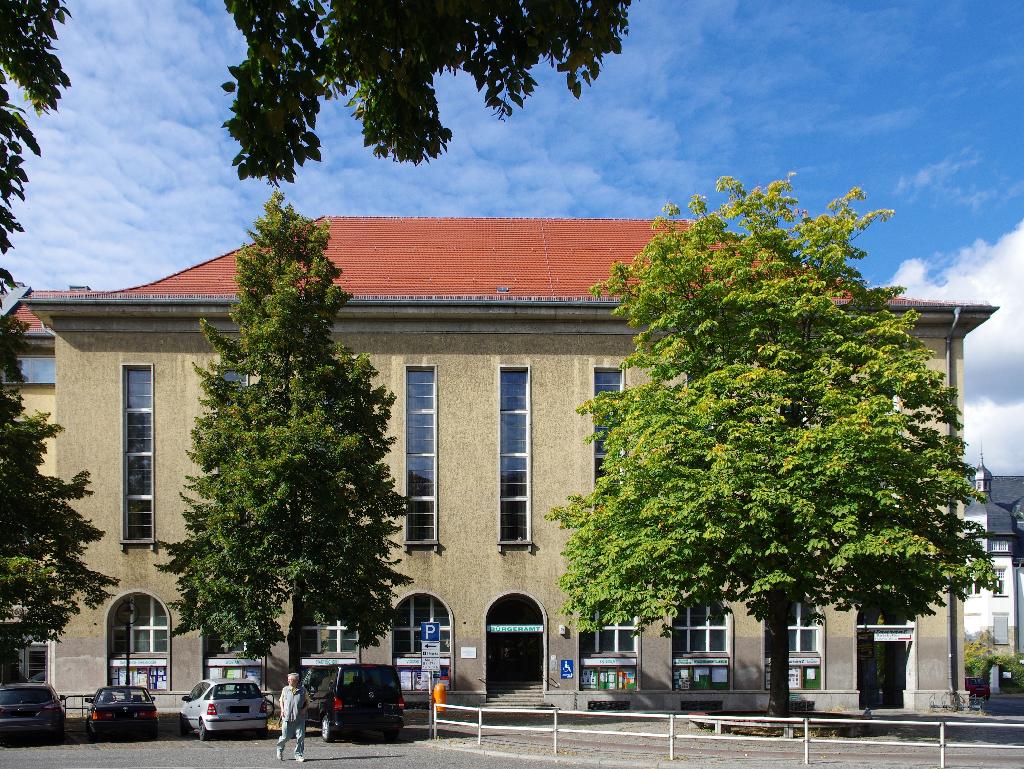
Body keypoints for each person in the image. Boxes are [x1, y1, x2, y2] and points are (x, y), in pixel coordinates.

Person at [277, 672, 308, 762]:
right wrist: (282, 710)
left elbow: (308, 701)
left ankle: (298, 755)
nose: (289, 681)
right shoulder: (285, 689)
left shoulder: (303, 690)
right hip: (287, 717)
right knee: (285, 737)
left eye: (292, 680)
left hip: (300, 717)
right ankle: (280, 749)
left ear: (297, 681)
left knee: (300, 736)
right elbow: (281, 701)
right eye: (289, 680)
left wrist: (304, 709)